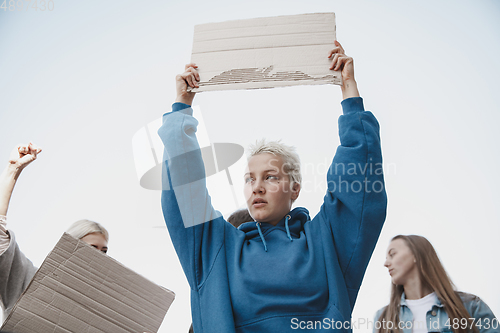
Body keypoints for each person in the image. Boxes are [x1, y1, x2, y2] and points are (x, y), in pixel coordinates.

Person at [159, 41, 387, 332]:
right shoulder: (219, 248)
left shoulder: (326, 241)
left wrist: (349, 90)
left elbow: (360, 184)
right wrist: (182, 109)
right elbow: (183, 192)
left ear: (295, 188)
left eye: (270, 177)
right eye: (249, 178)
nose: (257, 187)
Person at [0, 143, 109, 320]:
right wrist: (13, 170)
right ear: (69, 248)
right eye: (92, 247)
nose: (99, 256)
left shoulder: (101, 309)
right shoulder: (30, 280)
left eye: (104, 251)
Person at [375, 235, 497, 333]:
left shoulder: (470, 306)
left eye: (392, 254)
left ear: (416, 255)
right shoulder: (384, 317)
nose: (386, 263)